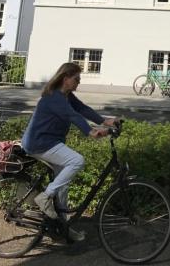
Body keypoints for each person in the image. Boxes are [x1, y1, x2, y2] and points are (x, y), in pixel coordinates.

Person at [21, 62, 117, 242]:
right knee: (76, 161)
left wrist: (105, 121)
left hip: (49, 142)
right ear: (66, 79)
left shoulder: (67, 96)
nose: (79, 82)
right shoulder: (54, 98)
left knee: (63, 186)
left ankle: (62, 228)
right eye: (77, 79)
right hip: (39, 143)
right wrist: (90, 131)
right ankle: (45, 197)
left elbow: (82, 109)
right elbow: (73, 116)